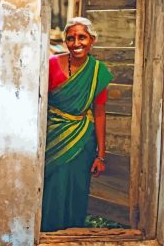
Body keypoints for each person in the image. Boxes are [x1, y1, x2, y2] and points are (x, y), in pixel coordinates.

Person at [41, 17, 113, 232]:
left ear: (92, 40)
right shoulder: (51, 65)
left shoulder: (98, 72)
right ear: (65, 42)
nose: (76, 43)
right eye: (70, 38)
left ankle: (73, 236)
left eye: (82, 37)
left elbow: (99, 112)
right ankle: (47, 234)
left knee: (77, 189)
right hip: (53, 138)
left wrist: (101, 155)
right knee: (52, 188)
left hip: (82, 141)